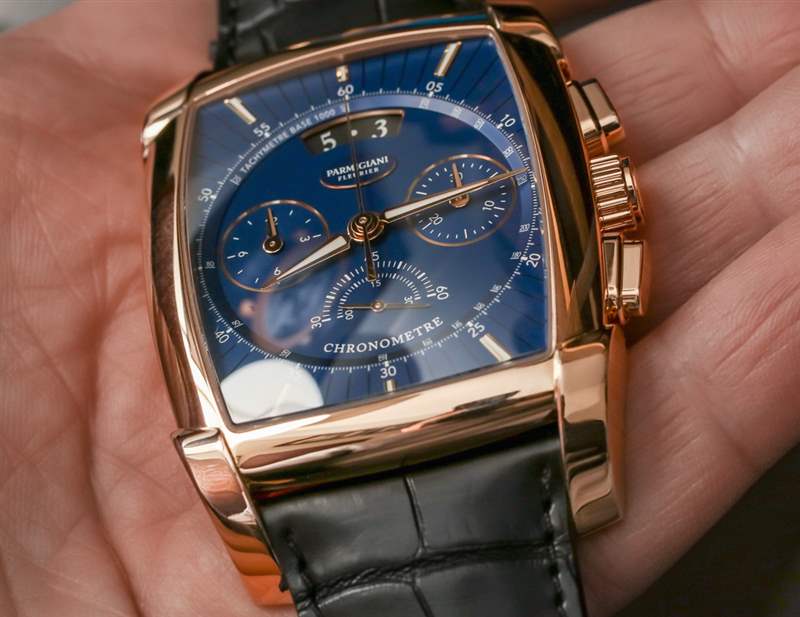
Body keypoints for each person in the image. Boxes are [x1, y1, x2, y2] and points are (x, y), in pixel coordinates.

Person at [1, 1, 798, 615]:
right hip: (277, 450)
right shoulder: (204, 132)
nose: (363, 227)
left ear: (605, 189)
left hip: (501, 400)